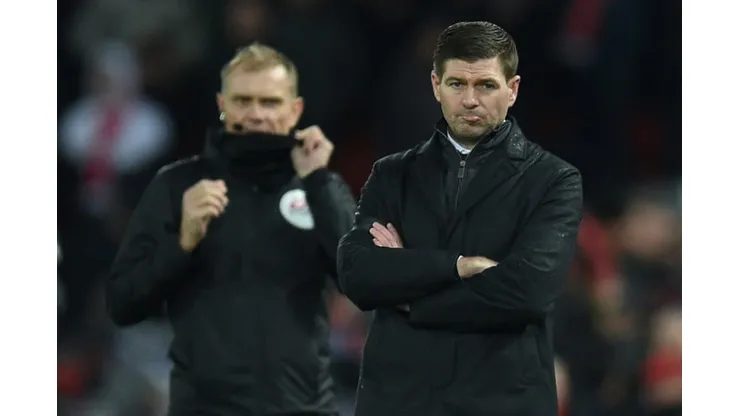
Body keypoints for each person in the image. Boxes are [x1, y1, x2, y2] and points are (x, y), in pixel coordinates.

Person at [337, 21, 584, 416]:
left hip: (500, 402)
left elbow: (527, 293)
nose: (470, 100)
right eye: (457, 84)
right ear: (436, 86)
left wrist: (410, 294)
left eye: (485, 85)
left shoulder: (553, 180)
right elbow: (357, 275)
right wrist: (457, 266)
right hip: (400, 401)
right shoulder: (392, 174)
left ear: (512, 89)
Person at [105, 43, 356, 416]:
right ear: (222, 104)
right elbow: (123, 303)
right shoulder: (179, 185)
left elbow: (362, 282)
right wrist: (182, 242)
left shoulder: (320, 188)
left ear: (295, 110)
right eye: (243, 101)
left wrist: (318, 181)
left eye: (270, 102)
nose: (255, 114)